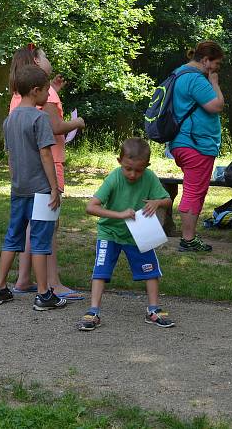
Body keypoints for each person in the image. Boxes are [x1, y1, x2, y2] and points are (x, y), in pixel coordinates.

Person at [7, 44, 86, 300]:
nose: (49, 59)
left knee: (30, 223)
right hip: (49, 165)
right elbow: (55, 126)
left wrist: (54, 90)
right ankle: (53, 283)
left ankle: (23, 278)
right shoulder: (48, 93)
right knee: (48, 224)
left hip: (23, 168)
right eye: (45, 55)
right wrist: (78, 122)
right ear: (36, 63)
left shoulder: (18, 94)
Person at [0, 64, 66, 311]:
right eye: (46, 90)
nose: (48, 94)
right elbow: (46, 155)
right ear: (35, 91)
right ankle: (44, 294)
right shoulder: (39, 117)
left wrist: (15, 181)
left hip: (19, 188)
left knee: (13, 236)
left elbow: (11, 157)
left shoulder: (9, 120)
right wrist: (54, 188)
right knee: (41, 240)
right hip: (41, 190)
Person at [77, 138, 175, 331]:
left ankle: (153, 309)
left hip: (139, 234)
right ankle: (93, 311)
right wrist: (119, 215)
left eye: (138, 170)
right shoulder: (114, 178)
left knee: (151, 271)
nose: (132, 174)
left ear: (146, 165)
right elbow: (91, 207)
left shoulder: (150, 177)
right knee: (101, 271)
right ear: (119, 161)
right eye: (128, 168)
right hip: (110, 232)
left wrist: (158, 203)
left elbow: (167, 200)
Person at [167, 40, 225, 252]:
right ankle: (188, 239)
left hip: (182, 142)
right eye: (216, 63)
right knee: (194, 191)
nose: (217, 68)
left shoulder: (179, 73)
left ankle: (189, 237)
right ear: (205, 60)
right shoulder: (195, 79)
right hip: (196, 143)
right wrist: (215, 83)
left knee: (193, 188)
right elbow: (216, 105)